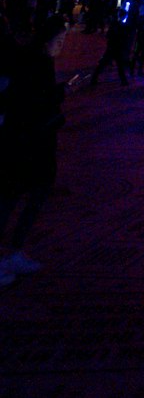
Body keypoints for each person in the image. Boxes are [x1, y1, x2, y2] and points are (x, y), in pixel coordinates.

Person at [0, 15, 67, 283]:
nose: (61, 46)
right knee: (10, 197)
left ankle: (14, 251)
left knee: (35, 194)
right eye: (59, 40)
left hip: (38, 141)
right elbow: (24, 101)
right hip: (23, 142)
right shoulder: (30, 63)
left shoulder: (41, 61)